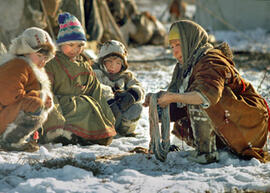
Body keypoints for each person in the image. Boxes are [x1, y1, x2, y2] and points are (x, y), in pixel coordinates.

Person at [144, 20, 270, 164]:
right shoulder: (185, 66)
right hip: (227, 120)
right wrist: (158, 101)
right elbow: (178, 104)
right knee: (180, 101)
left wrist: (173, 97)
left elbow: (207, 95)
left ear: (190, 41)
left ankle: (206, 153)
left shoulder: (210, 60)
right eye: (172, 46)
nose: (175, 51)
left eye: (179, 44)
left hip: (248, 121)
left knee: (198, 96)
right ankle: (212, 145)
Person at [42, 12, 116, 146]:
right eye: (71, 45)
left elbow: (96, 92)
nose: (75, 49)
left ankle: (79, 136)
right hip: (61, 109)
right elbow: (48, 93)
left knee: (103, 136)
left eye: (80, 45)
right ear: (61, 43)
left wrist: (108, 118)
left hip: (84, 109)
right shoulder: (52, 63)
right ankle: (63, 134)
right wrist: (56, 121)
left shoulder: (85, 66)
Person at [0, 27, 56, 152]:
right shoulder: (18, 65)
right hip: (3, 116)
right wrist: (39, 96)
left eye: (45, 58)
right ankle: (9, 141)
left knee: (37, 103)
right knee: (34, 104)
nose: (43, 61)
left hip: (8, 115)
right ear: (25, 52)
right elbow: (7, 95)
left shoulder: (30, 67)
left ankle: (16, 138)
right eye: (39, 55)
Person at [93, 40, 144, 137]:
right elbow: (95, 87)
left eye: (118, 63)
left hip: (120, 115)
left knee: (137, 107)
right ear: (102, 61)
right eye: (109, 62)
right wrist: (110, 100)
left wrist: (131, 94)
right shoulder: (95, 72)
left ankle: (124, 130)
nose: (113, 66)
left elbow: (139, 86)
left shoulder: (126, 76)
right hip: (101, 115)